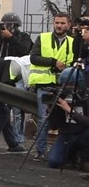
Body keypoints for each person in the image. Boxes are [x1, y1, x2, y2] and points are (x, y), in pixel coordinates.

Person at [28, 13, 76, 161]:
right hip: (45, 84)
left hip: (64, 85)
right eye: (57, 23)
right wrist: (53, 62)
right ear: (53, 24)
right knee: (44, 118)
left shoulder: (73, 42)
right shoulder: (43, 38)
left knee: (66, 118)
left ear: (68, 25)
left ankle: (66, 152)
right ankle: (41, 151)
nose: (59, 26)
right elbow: (33, 57)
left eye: (62, 23)